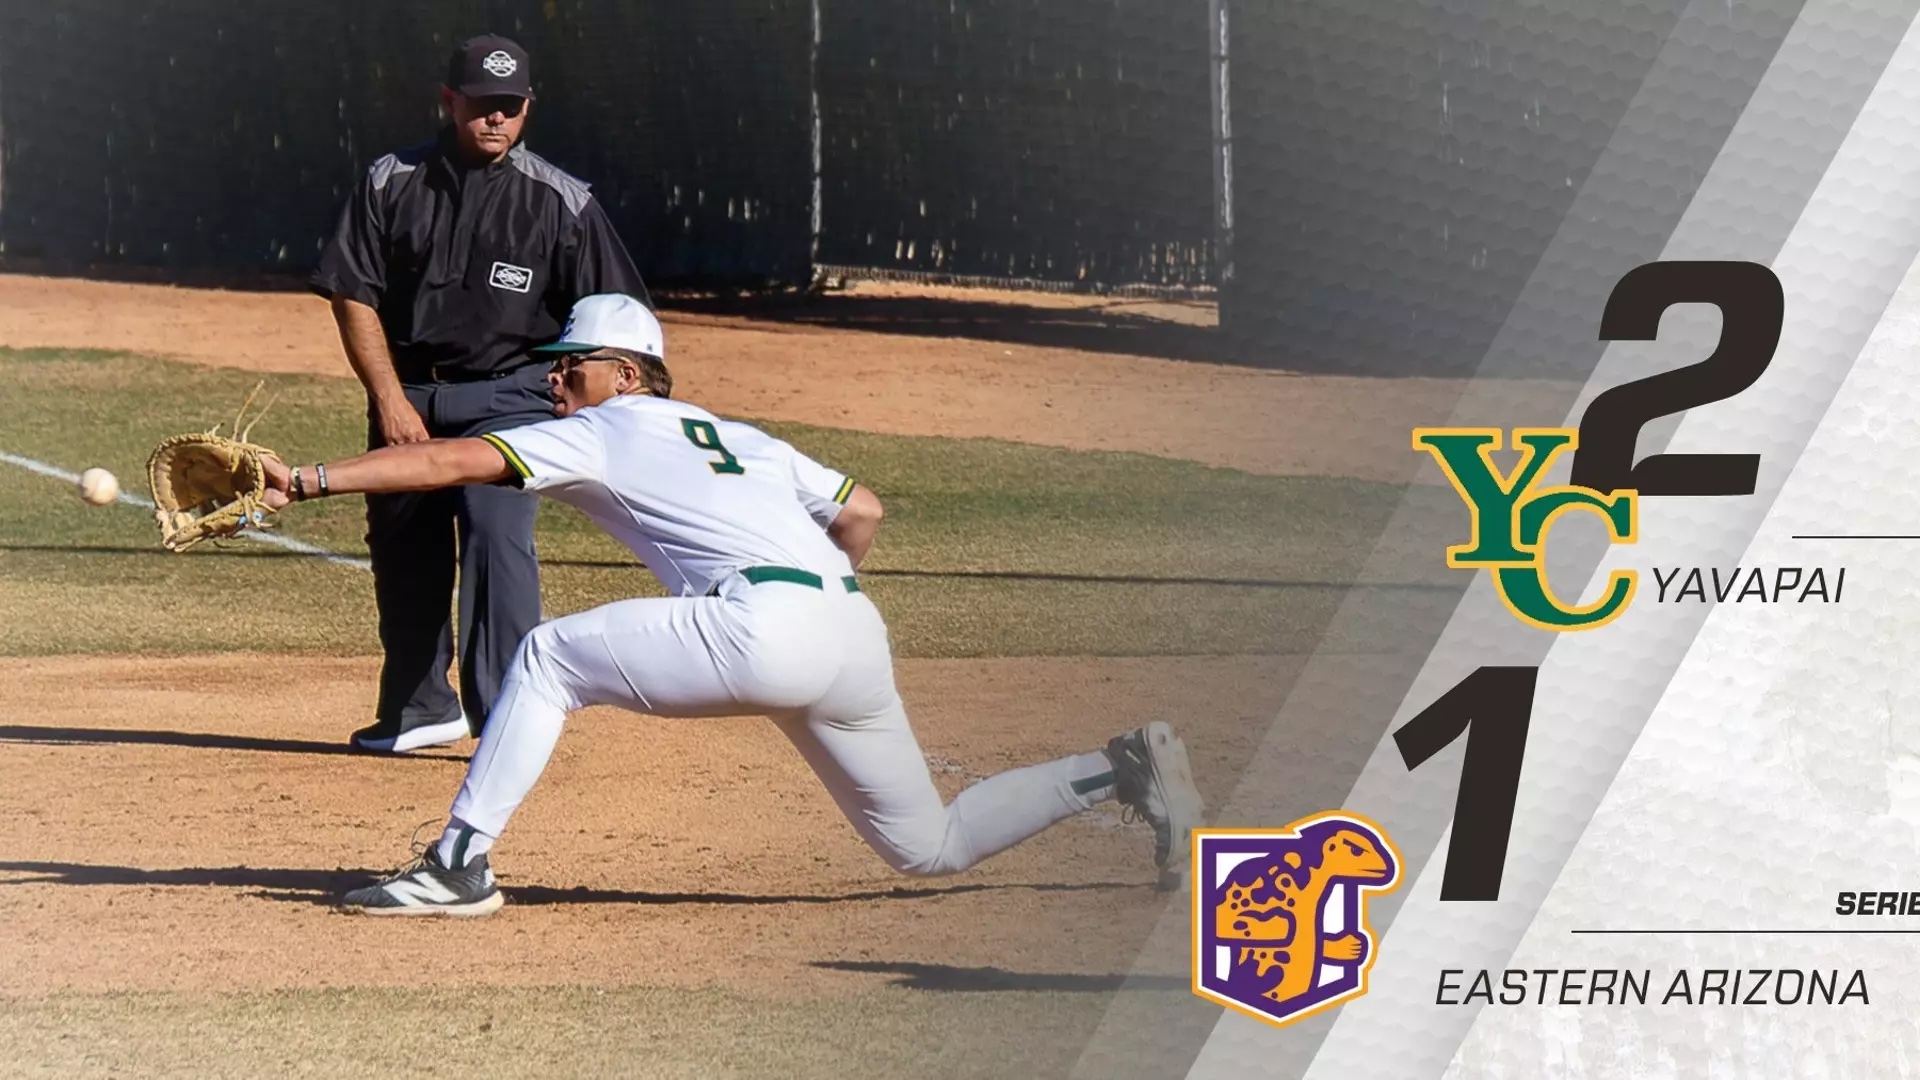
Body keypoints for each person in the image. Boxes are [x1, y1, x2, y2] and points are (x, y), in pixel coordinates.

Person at [261, 293, 1207, 914]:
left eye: (573, 363)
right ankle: (1119, 769)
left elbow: (450, 460)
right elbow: (862, 510)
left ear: (626, 375)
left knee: (545, 658)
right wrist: (815, 612)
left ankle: (458, 864)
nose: (556, 378)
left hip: (763, 629)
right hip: (852, 634)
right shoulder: (738, 435)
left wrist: (307, 479)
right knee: (930, 845)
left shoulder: (606, 427)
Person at [308, 34, 650, 754]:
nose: (495, 120)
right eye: (481, 106)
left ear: (526, 107)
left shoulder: (561, 202)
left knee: (498, 540)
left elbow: (618, 318)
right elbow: (352, 293)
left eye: (510, 107)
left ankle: (508, 717)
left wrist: (589, 410)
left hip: (512, 400)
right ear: (449, 101)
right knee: (403, 549)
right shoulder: (391, 181)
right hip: (410, 396)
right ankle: (419, 708)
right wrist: (389, 400)